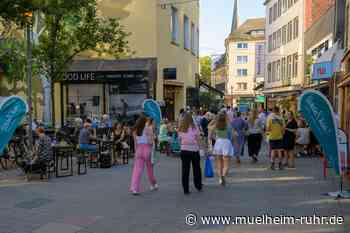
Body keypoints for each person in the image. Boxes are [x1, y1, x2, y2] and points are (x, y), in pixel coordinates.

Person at [130, 115, 158, 195]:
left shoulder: (135, 130)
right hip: (147, 149)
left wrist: (136, 153)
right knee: (149, 168)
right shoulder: (148, 128)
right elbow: (151, 141)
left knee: (137, 170)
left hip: (139, 149)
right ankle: (153, 183)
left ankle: (134, 188)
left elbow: (135, 143)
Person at [178, 113, 202, 194]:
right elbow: (198, 139)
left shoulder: (181, 128)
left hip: (184, 150)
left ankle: (186, 189)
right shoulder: (195, 128)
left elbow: (179, 139)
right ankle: (198, 185)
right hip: (194, 150)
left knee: (185, 170)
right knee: (197, 169)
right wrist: (202, 148)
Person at [212, 113, 236, 186]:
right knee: (226, 163)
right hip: (226, 142)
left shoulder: (216, 126)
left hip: (218, 142)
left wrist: (216, 138)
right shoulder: (228, 126)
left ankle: (220, 178)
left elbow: (211, 135)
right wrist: (232, 142)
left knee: (219, 164)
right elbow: (234, 136)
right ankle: (223, 175)